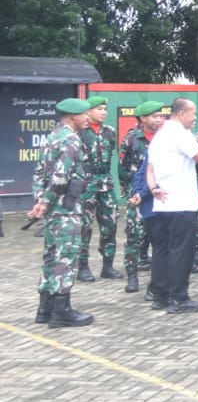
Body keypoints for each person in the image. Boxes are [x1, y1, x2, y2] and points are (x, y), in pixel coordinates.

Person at [29, 97, 95, 328]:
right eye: (85, 114)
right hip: (66, 208)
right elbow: (60, 177)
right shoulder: (70, 140)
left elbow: (39, 173)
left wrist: (40, 200)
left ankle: (44, 309)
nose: (88, 118)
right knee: (66, 257)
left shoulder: (52, 137)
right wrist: (46, 202)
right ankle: (61, 311)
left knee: (51, 255)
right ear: (73, 117)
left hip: (53, 209)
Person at [146, 96, 198, 314]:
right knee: (181, 251)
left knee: (162, 250)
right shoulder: (179, 133)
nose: (195, 119)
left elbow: (150, 169)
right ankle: (179, 297)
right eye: (193, 114)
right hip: (181, 202)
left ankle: (160, 295)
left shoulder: (159, 135)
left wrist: (153, 189)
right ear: (182, 113)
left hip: (162, 203)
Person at [119, 101, 166, 293]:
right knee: (134, 236)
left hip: (159, 195)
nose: (158, 120)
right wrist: (129, 189)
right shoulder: (131, 139)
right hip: (137, 194)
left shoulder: (164, 138)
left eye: (160, 116)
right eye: (154, 116)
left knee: (158, 239)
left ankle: (156, 283)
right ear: (142, 119)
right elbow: (122, 168)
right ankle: (132, 277)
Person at [77, 95, 122, 282]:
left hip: (106, 183)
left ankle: (108, 266)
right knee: (84, 227)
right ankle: (83, 267)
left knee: (110, 225)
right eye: (99, 109)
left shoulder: (109, 132)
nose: (103, 112)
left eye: (105, 109)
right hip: (86, 184)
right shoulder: (80, 132)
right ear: (88, 112)